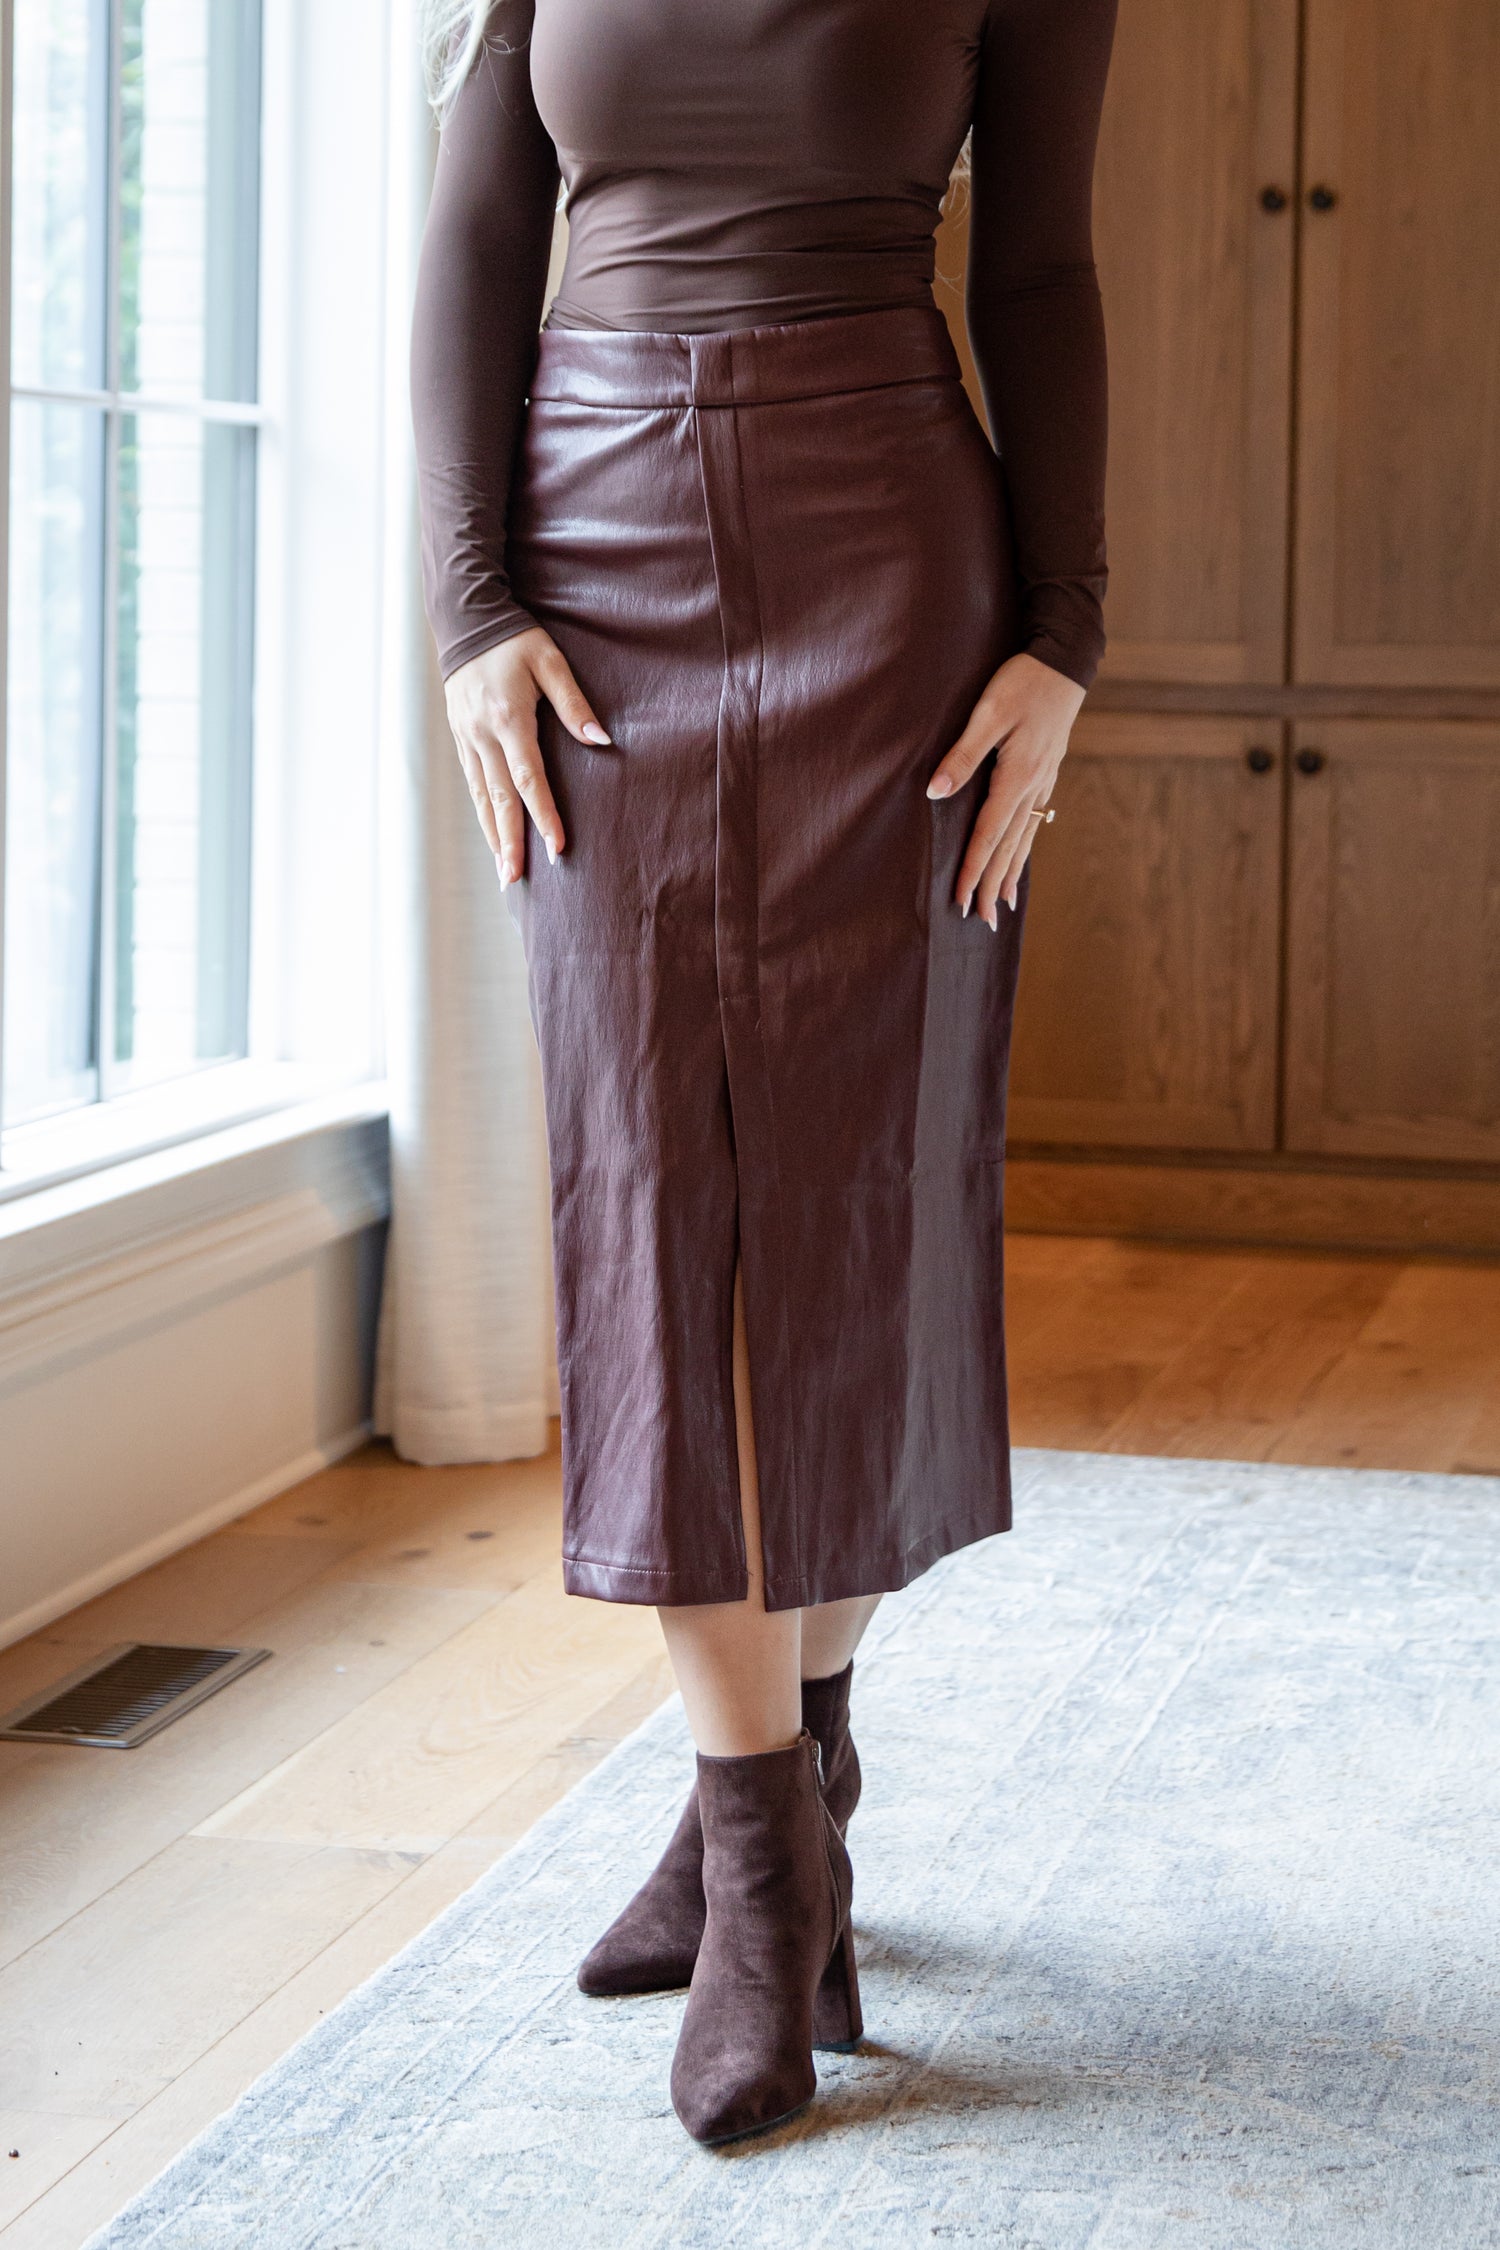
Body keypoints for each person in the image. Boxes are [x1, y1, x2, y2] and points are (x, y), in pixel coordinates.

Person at [412, 0, 1116, 2147]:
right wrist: (465, 609)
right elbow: (471, 221)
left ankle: (772, 1827)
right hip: (592, 569)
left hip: (887, 560)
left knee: (841, 1194)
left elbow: (1042, 269)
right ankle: (764, 1839)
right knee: (651, 1203)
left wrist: (1063, 632)